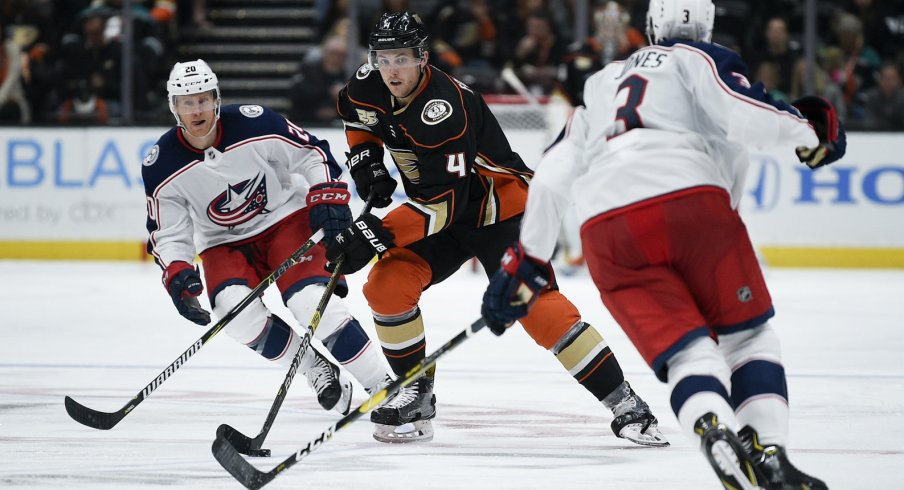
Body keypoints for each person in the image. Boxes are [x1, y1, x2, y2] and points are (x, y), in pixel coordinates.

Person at [481, 1, 846, 489]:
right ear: (708, 27)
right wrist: (808, 132)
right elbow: (744, 118)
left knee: (688, 356)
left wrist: (525, 261)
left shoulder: (603, 81)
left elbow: (549, 177)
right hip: (689, 201)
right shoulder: (702, 59)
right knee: (748, 339)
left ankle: (709, 423)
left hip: (607, 231)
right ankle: (768, 451)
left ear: (649, 26)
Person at [324, 11, 667, 447]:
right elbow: (358, 120)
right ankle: (417, 393)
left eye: (403, 58)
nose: (393, 69)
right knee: (386, 286)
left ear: (423, 58)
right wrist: (366, 161)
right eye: (385, 58)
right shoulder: (368, 83)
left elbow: (444, 206)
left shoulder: (444, 108)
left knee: (539, 309)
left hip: (498, 212)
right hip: (440, 212)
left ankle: (626, 403)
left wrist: (374, 235)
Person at [141, 59, 391, 416]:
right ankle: (314, 367)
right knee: (234, 314)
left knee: (311, 303)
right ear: (174, 107)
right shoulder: (161, 165)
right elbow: (169, 232)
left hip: (285, 221)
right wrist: (178, 271)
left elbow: (312, 154)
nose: (197, 109)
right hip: (222, 244)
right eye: (187, 101)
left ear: (216, 99)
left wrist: (326, 196)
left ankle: (386, 385)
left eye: (203, 99)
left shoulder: (255, 122)